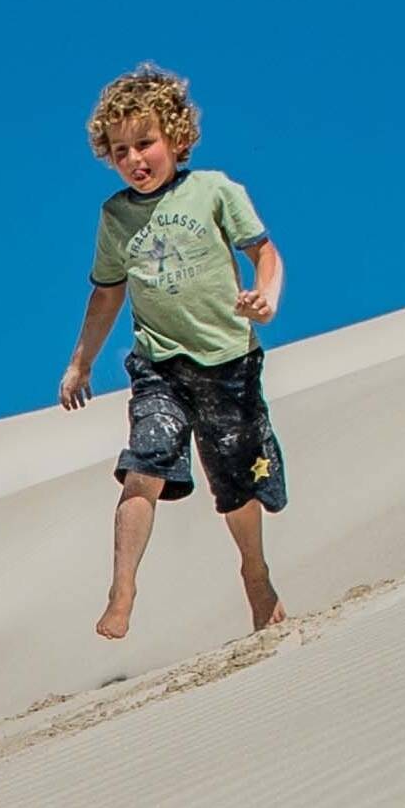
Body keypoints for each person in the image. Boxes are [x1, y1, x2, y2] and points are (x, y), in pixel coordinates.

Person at [55, 64, 291, 639]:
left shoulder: (214, 190)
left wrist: (266, 297)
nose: (134, 158)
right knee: (144, 467)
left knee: (235, 485)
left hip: (229, 362)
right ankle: (123, 587)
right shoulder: (115, 217)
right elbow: (107, 291)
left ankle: (255, 574)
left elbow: (265, 252)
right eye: (120, 150)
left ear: (176, 138)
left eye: (145, 142)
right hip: (160, 366)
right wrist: (80, 361)